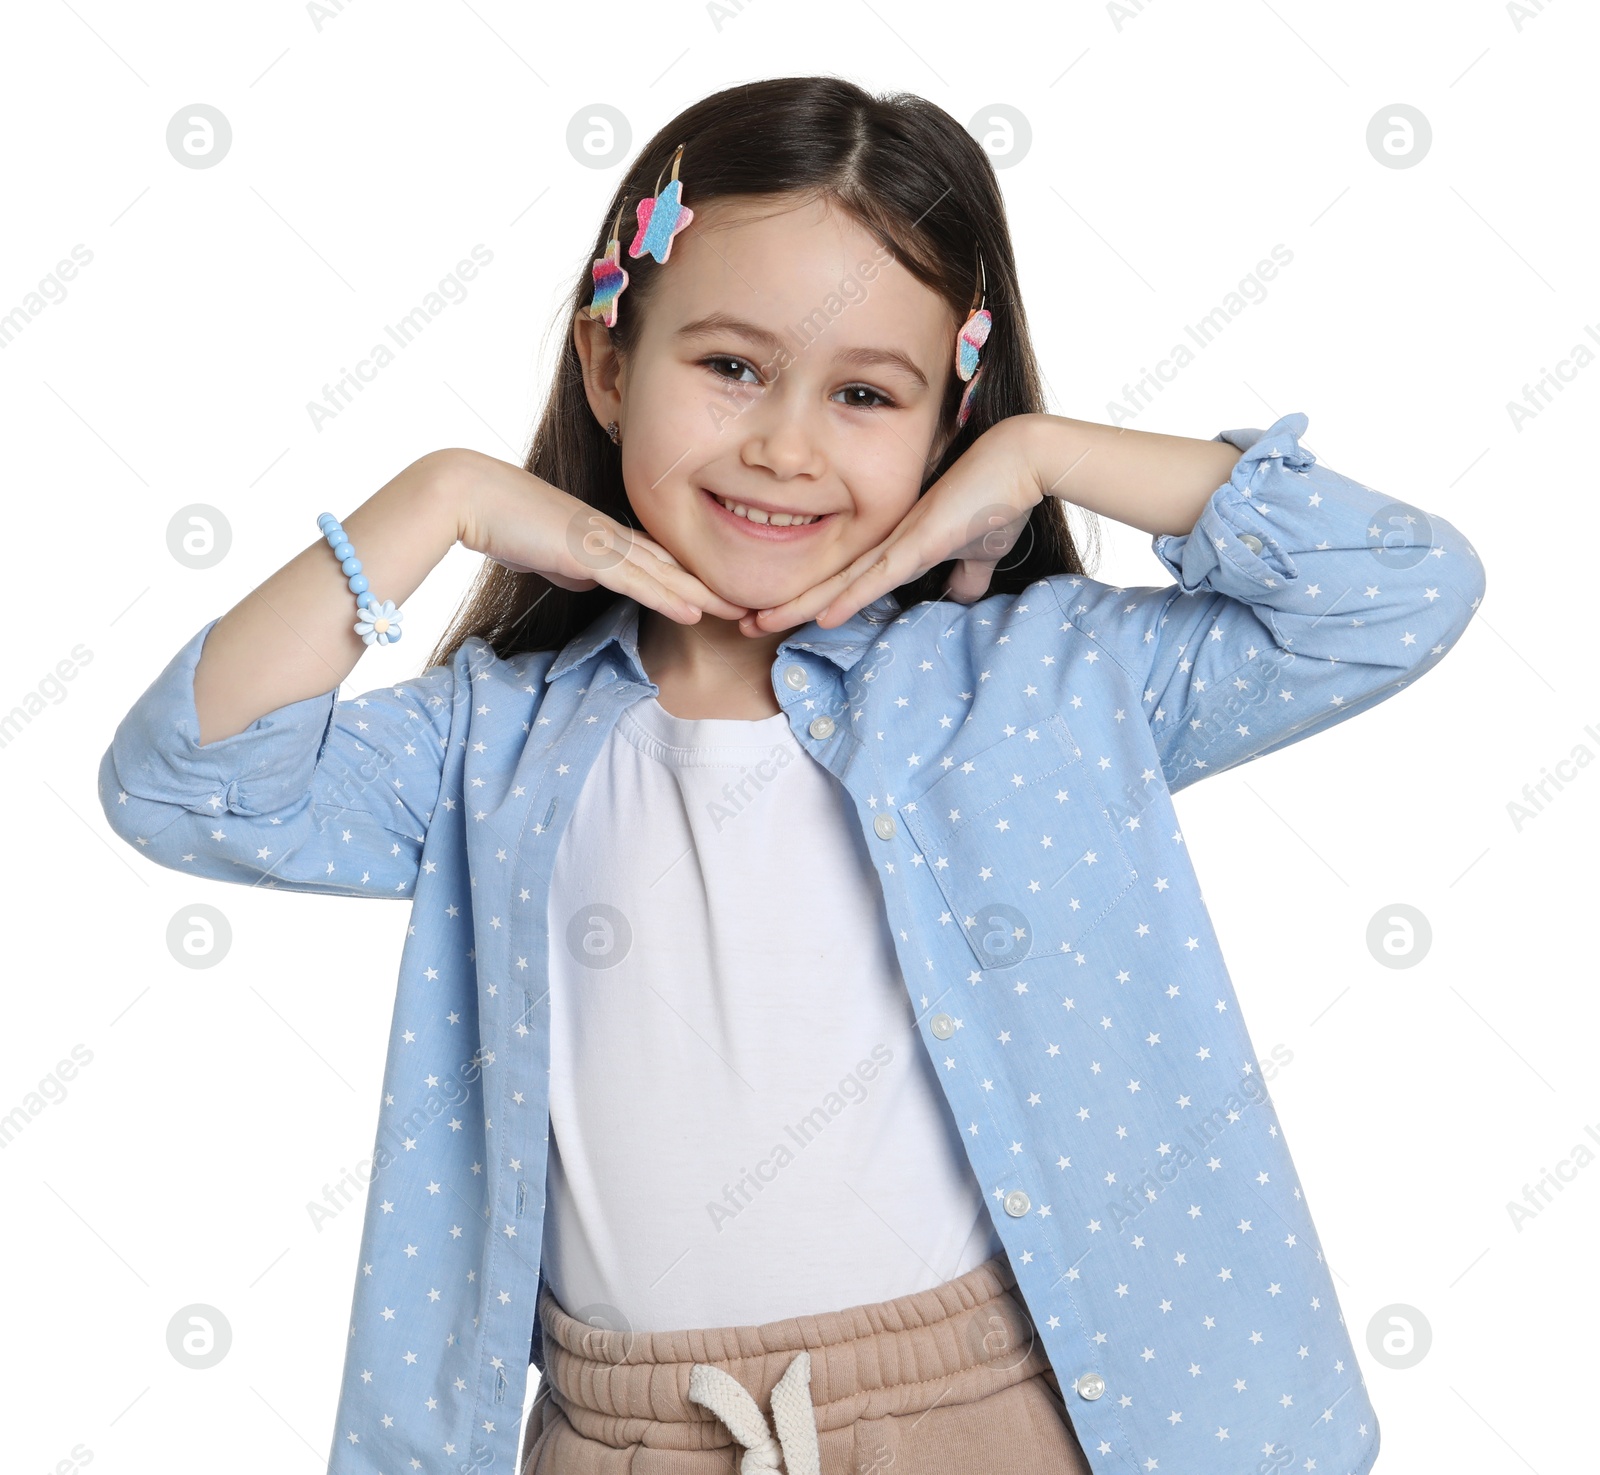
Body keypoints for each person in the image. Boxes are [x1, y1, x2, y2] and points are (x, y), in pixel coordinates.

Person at [98, 76, 1483, 1475]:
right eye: (732, 368)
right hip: (626, 1432)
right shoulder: (488, 746)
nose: (785, 445)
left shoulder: (1041, 686)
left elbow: (1400, 594)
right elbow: (184, 782)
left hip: (990, 1412)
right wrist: (440, 497)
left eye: (867, 393)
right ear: (607, 368)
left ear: (945, 422)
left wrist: (1042, 450)